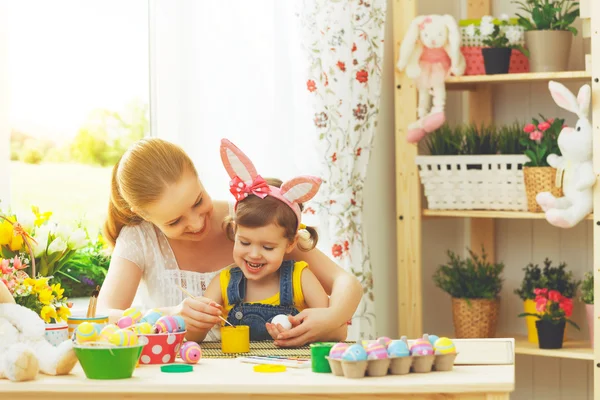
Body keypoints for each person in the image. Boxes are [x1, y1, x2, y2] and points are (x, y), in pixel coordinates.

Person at [96, 137, 362, 347]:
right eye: (174, 222)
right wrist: (170, 314)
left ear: (200, 178)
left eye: (198, 201)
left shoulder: (249, 222)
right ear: (145, 217)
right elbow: (101, 317)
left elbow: (344, 281)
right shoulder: (140, 239)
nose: (197, 223)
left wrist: (332, 317)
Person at [194, 139, 347, 343]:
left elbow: (338, 332)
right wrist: (198, 320)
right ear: (234, 231)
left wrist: (304, 331)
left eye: (267, 247)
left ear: (290, 244)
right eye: (245, 243)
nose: (254, 254)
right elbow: (195, 338)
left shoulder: (300, 278)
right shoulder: (223, 282)